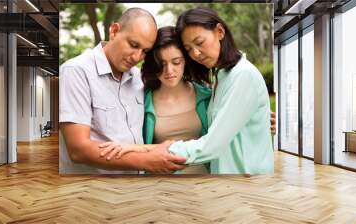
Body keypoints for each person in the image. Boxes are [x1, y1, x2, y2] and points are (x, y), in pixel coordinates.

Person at [59, 8, 187, 174]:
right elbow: (78, 149)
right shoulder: (76, 71)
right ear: (114, 31)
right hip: (92, 192)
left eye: (145, 51)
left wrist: (158, 149)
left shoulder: (138, 79)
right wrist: (145, 161)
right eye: (133, 45)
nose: (136, 57)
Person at [168, 7, 274, 174]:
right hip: (226, 182)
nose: (195, 53)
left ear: (219, 32)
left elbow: (212, 146)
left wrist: (164, 149)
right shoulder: (220, 76)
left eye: (200, 42)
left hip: (248, 186)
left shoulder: (243, 75)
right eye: (188, 49)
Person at [99, 26, 212, 174]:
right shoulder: (141, 99)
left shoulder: (207, 96)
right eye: (161, 64)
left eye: (176, 62)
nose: (169, 71)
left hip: (203, 183)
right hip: (158, 184)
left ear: (186, 61)